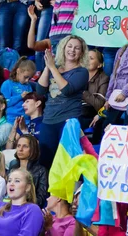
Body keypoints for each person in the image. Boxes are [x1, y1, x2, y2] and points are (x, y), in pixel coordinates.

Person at [36, 36, 89, 169]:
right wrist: (48, 68)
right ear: (63, 48)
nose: (72, 50)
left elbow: (66, 89)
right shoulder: (55, 68)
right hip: (48, 120)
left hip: (68, 121)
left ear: (81, 53)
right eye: (69, 46)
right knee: (46, 161)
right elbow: (40, 90)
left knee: (66, 164)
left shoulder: (82, 72)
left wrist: (52, 67)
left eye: (77, 48)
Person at [0, 168, 44, 235]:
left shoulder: (32, 210)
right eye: (9, 181)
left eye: (17, 181)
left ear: (27, 187)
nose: (11, 184)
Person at [8, 134, 48, 208]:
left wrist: (22, 204)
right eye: (18, 146)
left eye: (25, 146)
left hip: (29, 210)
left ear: (33, 149)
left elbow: (41, 200)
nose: (20, 149)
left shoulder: (41, 171)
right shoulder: (12, 168)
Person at [0, 57, 35, 124]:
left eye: (29, 78)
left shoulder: (28, 86)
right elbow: (4, 103)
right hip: (11, 120)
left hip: (26, 121)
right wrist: (20, 96)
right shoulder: (7, 84)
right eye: (25, 77)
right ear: (18, 71)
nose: (27, 80)